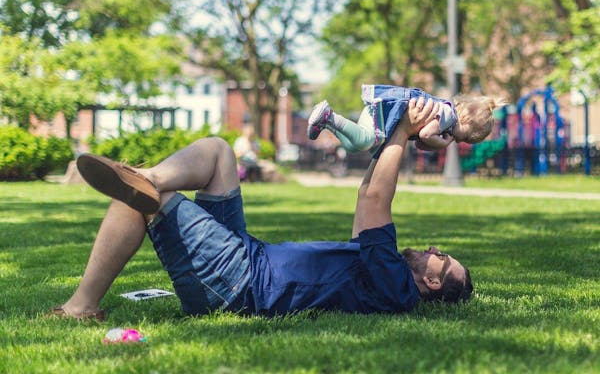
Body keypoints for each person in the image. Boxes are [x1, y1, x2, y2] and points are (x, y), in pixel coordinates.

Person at [51, 97, 472, 321]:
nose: (435, 250)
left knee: (146, 202)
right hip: (246, 256)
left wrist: (403, 129)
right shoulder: (380, 270)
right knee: (219, 152)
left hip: (238, 284)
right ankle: (151, 178)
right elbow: (368, 195)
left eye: (443, 258)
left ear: (434, 283)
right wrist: (404, 136)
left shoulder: (394, 287)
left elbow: (380, 198)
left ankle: (81, 306)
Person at [308, 84, 502, 157]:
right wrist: (440, 142)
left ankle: (326, 124)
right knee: (366, 141)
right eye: (465, 138)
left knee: (353, 146)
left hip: (382, 112)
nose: (460, 142)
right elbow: (425, 135)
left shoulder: (445, 120)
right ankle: (329, 115)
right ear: (465, 118)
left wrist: (433, 145)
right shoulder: (448, 116)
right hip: (385, 113)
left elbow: (419, 142)